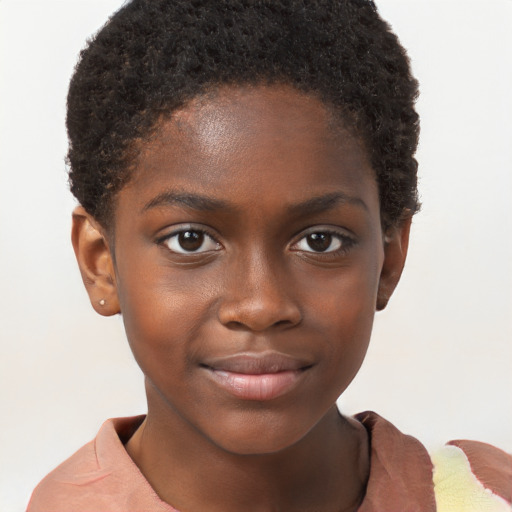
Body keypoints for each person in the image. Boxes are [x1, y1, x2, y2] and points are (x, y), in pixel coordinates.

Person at [27, 0, 512, 510]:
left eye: (319, 241)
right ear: (100, 262)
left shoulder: (484, 496)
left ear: (389, 259)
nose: (260, 304)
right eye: (189, 240)